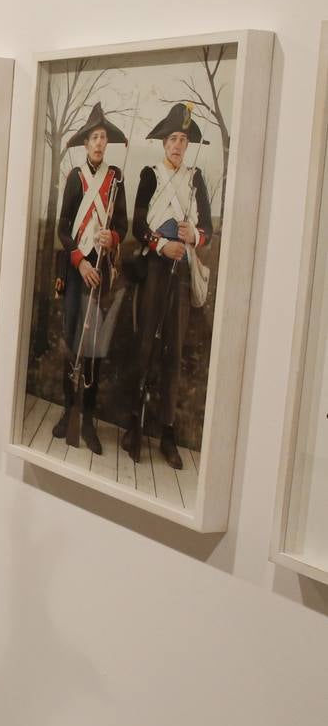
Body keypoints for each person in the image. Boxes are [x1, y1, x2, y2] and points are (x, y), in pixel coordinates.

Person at [121, 103, 214, 469]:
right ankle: (133, 424)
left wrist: (196, 236)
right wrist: (161, 244)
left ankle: (168, 432)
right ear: (163, 142)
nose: (178, 145)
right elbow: (138, 225)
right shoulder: (151, 175)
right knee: (145, 344)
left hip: (182, 270)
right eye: (173, 138)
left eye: (184, 139)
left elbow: (207, 226)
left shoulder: (195, 178)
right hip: (156, 269)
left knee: (173, 352)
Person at [53, 102, 129, 454]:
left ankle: (87, 419)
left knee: (95, 347)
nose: (99, 143)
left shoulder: (116, 179)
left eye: (103, 138)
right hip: (78, 271)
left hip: (101, 273)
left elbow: (123, 226)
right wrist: (80, 261)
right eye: (94, 138)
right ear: (85, 144)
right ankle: (68, 410)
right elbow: (63, 229)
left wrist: (111, 238)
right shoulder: (75, 177)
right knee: (73, 342)